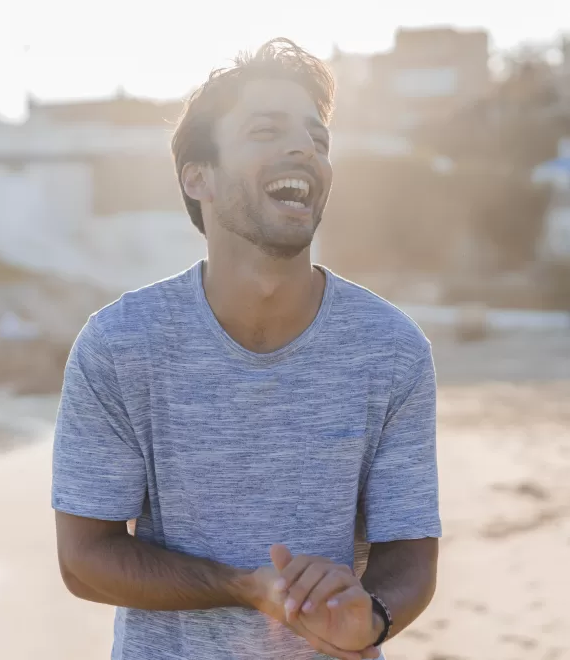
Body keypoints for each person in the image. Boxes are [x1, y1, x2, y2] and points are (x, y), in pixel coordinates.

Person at [52, 38, 441, 660]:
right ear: (197, 176)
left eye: (319, 140)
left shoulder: (391, 350)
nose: (304, 150)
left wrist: (371, 618)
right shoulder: (120, 346)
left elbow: (411, 551)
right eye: (268, 130)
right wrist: (241, 588)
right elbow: (84, 558)